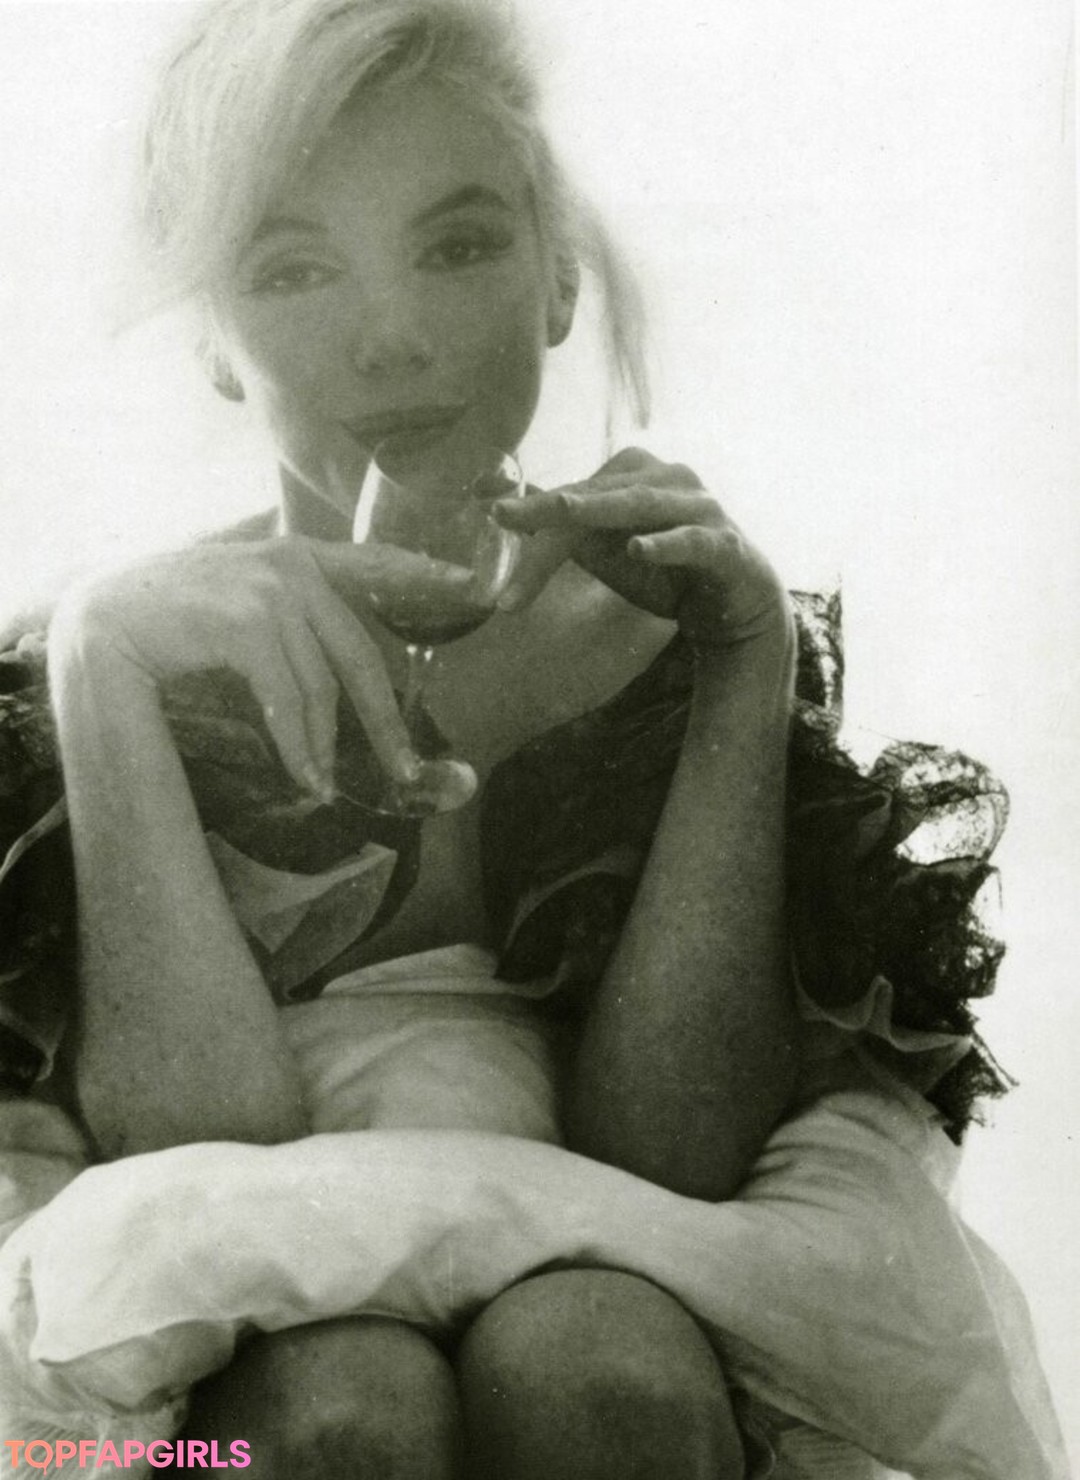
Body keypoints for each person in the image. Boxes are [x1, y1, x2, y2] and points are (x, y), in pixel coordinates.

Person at [0, 1, 1065, 1477]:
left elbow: (671, 1155)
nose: (392, 338)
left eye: (457, 246)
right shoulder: (128, 652)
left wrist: (745, 665)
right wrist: (99, 667)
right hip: (232, 1351)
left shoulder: (677, 633)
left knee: (598, 1374)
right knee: (346, 1410)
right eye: (294, 269)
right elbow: (201, 1153)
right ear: (213, 345)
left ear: (558, 276)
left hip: (629, 1302)